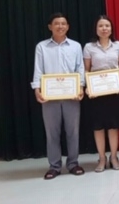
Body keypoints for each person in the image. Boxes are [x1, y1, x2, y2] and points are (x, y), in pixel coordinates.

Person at [31, 12, 85, 180]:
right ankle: (54, 166)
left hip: (72, 96)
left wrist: (81, 87)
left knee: (73, 131)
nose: (60, 26)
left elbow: (80, 68)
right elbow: (38, 69)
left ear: (68, 26)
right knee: (52, 133)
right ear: (50, 27)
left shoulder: (75, 46)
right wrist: (37, 88)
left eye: (63, 23)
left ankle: (73, 163)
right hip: (50, 97)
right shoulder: (42, 47)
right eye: (56, 23)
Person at [83, 15, 119, 172]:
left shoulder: (118, 45)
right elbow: (86, 69)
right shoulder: (89, 47)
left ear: (111, 28)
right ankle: (101, 158)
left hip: (114, 90)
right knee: (98, 127)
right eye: (101, 26)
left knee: (113, 126)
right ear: (96, 29)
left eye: (107, 26)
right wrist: (88, 86)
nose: (104, 29)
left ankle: (114, 157)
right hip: (97, 92)